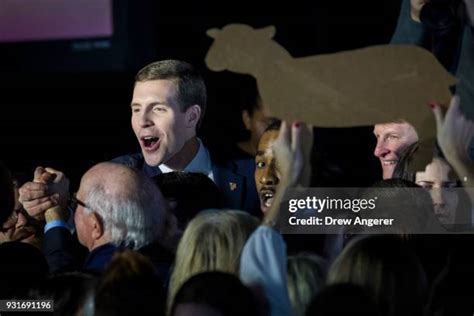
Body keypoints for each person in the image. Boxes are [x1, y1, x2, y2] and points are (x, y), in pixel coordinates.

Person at [112, 60, 259, 214]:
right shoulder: (119, 180)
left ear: (192, 117)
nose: (142, 121)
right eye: (136, 109)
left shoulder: (253, 173)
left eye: (158, 109)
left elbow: (288, 226)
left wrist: (288, 182)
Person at [19, 162, 167, 273]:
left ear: (96, 225)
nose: (73, 208)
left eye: (77, 203)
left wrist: (53, 211)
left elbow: (57, 293)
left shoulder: (100, 281)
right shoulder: (167, 268)